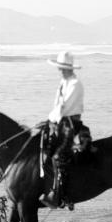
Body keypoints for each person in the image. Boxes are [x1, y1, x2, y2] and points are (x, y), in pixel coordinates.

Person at [40, 51, 85, 209]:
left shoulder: (75, 84)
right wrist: (49, 121)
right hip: (59, 121)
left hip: (70, 123)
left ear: (68, 68)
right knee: (43, 147)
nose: (60, 71)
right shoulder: (63, 82)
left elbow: (64, 107)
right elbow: (56, 106)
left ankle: (62, 195)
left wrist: (51, 120)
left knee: (59, 155)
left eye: (61, 68)